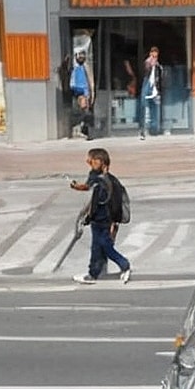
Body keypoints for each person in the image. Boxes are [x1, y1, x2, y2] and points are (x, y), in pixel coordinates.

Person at [70, 147, 131, 284]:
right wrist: (76, 187)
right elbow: (88, 188)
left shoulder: (107, 182)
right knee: (96, 248)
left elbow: (107, 204)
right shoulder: (96, 178)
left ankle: (124, 265)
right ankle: (93, 274)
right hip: (97, 221)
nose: (89, 162)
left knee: (105, 246)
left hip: (106, 221)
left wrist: (114, 223)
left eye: (93, 160)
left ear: (102, 162)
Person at [68, 51, 93, 139]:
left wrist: (89, 93)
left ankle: (86, 130)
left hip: (83, 91)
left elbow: (88, 81)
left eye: (82, 57)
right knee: (82, 111)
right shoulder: (76, 68)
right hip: (78, 91)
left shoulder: (84, 67)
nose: (81, 58)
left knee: (85, 110)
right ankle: (82, 128)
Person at [140, 45, 163, 137]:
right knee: (145, 106)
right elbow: (144, 72)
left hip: (154, 87)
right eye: (153, 55)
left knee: (155, 107)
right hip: (147, 84)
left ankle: (154, 129)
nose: (154, 58)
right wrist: (150, 64)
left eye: (156, 56)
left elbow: (160, 76)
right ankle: (144, 128)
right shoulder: (147, 63)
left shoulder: (158, 66)